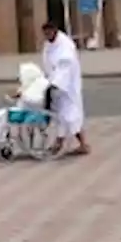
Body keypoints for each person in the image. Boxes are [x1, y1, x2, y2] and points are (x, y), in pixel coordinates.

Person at [41, 21, 90, 157]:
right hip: (56, 84)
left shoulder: (65, 45)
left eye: (49, 32)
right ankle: (65, 143)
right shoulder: (48, 44)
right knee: (62, 116)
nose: (46, 35)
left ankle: (77, 144)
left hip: (68, 86)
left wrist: (56, 83)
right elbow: (47, 62)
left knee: (70, 116)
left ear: (55, 30)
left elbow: (65, 66)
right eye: (45, 33)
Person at [0, 62, 50, 155]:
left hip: (30, 113)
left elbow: (35, 100)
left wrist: (22, 95)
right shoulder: (34, 83)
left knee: (1, 116)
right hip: (29, 112)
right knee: (1, 115)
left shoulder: (39, 85)